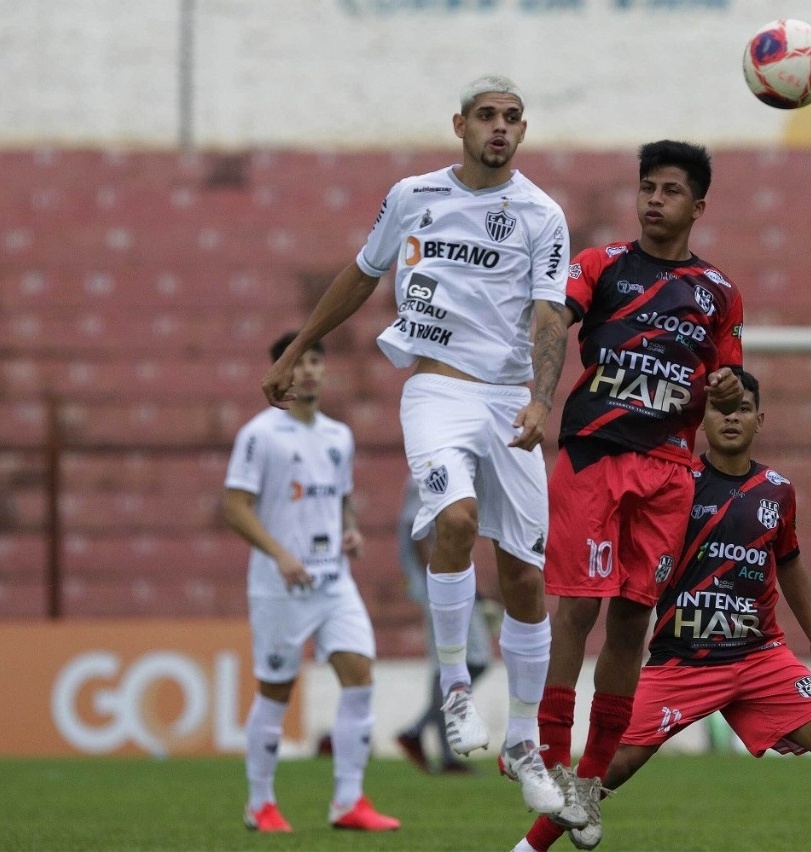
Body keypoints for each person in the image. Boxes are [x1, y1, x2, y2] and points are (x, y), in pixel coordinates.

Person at [260, 74, 570, 817]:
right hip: (435, 391)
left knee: (526, 576)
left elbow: (552, 316)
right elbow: (361, 277)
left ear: (523, 132)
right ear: (460, 124)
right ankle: (455, 692)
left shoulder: (541, 214)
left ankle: (522, 740)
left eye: (513, 119)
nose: (500, 128)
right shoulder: (414, 197)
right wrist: (298, 345)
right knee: (455, 522)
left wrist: (540, 399)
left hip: (507, 401)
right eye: (488, 117)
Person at [518, 372, 811, 852]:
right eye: (720, 409)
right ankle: (525, 850)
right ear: (701, 418)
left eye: (741, 409)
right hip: (683, 658)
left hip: (758, 656)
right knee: (606, 770)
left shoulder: (777, 491)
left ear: (760, 419)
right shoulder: (677, 485)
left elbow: (790, 559)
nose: (730, 417)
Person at [518, 140, 746, 844]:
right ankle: (552, 761)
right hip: (596, 457)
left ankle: (590, 781)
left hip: (670, 471)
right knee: (578, 607)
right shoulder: (604, 265)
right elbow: (554, 318)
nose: (654, 200)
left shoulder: (718, 293)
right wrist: (538, 395)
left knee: (630, 625)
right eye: (647, 187)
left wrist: (729, 389)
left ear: (697, 206)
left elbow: (727, 382)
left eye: (670, 190)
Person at [223, 332, 400, 834]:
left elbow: (338, 497)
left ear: (326, 370)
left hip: (333, 580)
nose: (307, 371)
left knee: (361, 679)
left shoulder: (338, 436)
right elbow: (234, 506)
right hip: (281, 585)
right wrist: (279, 553)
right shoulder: (260, 435)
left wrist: (350, 530)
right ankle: (260, 803)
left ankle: (348, 801)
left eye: (316, 361)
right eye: (297, 362)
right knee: (276, 690)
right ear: (280, 370)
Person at [394, 473, 493, 774]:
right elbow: (417, 530)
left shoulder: (462, 467)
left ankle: (417, 731)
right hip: (439, 584)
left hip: (456, 579)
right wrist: (433, 579)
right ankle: (445, 753)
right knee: (458, 663)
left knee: (469, 661)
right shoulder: (426, 474)